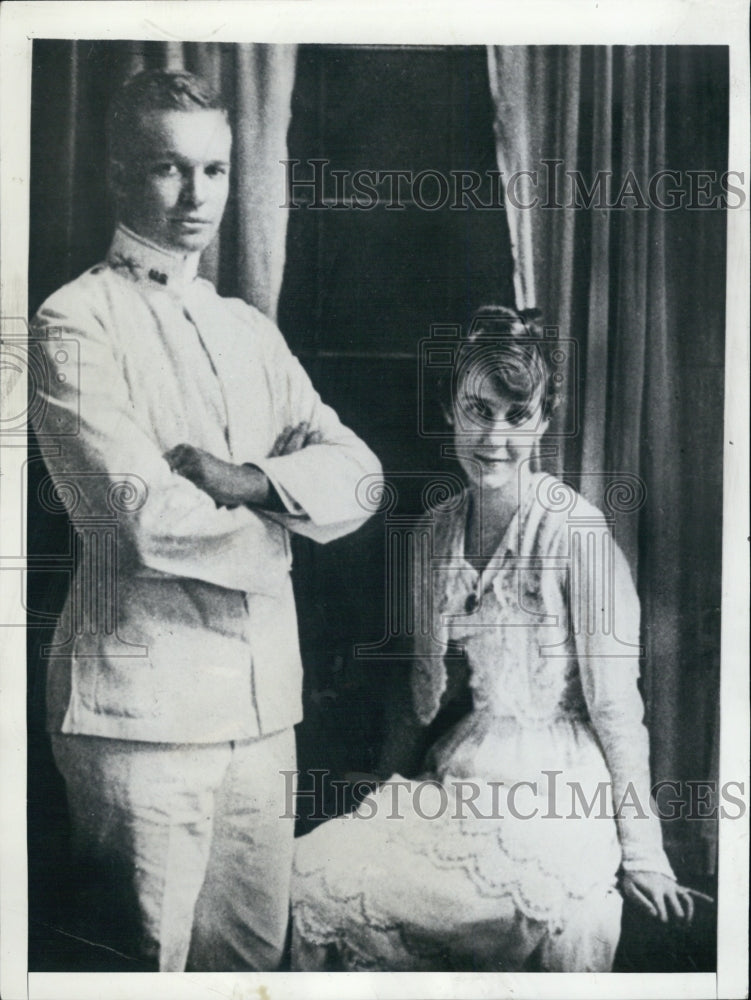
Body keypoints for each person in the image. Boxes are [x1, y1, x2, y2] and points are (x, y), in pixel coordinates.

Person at [30, 68, 381, 972]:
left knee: (254, 967)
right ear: (117, 175)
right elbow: (141, 522)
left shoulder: (247, 331)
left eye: (216, 171)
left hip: (263, 713)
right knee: (142, 964)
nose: (196, 197)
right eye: (168, 169)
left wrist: (255, 482)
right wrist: (287, 527)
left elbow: (363, 477)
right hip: (138, 716)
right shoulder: (73, 322)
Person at [289, 306, 697, 972]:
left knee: (522, 909)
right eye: (478, 411)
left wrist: (645, 856)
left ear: (542, 419)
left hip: (558, 784)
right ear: (450, 410)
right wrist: (383, 783)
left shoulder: (576, 534)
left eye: (517, 416)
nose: (495, 437)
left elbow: (618, 711)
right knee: (308, 878)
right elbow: (425, 692)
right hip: (461, 770)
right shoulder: (432, 535)